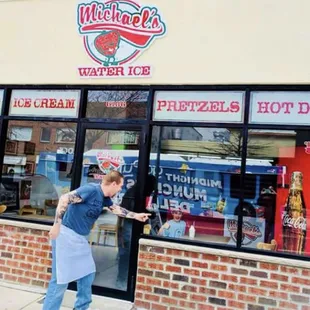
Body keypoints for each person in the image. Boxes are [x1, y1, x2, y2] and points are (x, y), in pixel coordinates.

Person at [43, 170, 150, 310]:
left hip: (80, 239)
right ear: (113, 183)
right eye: (120, 186)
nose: (120, 189)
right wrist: (56, 225)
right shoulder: (91, 190)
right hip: (65, 235)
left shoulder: (104, 197)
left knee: (87, 273)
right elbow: (65, 198)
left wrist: (136, 215)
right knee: (60, 281)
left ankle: (81, 307)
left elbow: (116, 209)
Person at [116, 174, 156, 290]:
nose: (153, 188)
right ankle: (122, 281)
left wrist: (150, 213)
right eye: (152, 185)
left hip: (134, 224)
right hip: (128, 224)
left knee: (133, 252)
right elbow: (130, 209)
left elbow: (140, 209)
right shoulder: (133, 192)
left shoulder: (140, 192)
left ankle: (131, 280)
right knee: (126, 254)